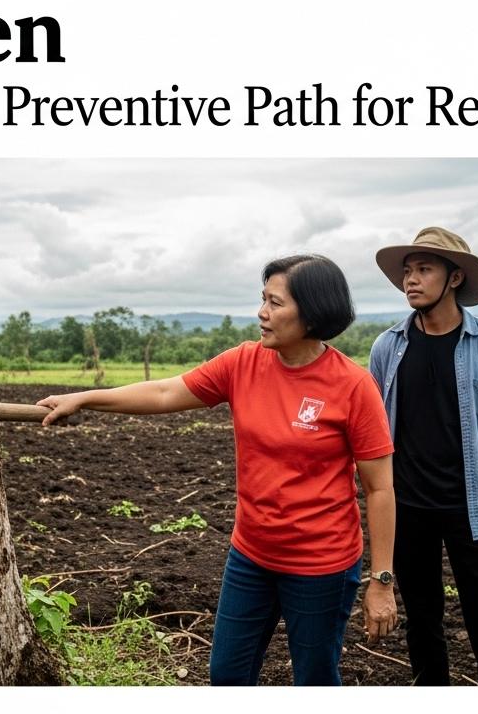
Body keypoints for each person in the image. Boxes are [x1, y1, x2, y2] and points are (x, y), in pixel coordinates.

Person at [37, 254, 397, 686]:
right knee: (227, 675)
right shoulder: (243, 363)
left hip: (321, 566)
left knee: (315, 680)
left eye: (275, 303)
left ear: (313, 311)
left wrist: (382, 581)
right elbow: (166, 393)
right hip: (251, 556)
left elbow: (379, 489)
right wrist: (88, 397)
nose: (261, 313)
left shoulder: (353, 386)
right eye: (262, 299)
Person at [368, 226, 478, 686]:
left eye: (423, 270)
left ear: (454, 278)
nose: (410, 281)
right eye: (407, 272)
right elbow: (377, 424)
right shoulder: (387, 348)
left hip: (471, 510)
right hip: (408, 508)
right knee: (422, 620)